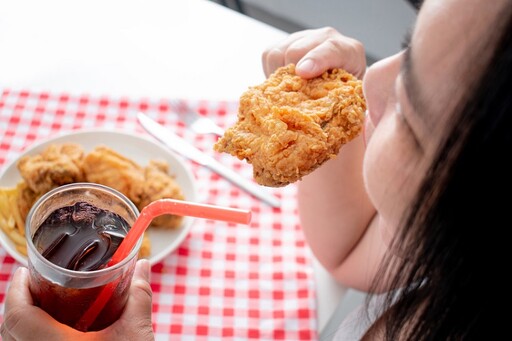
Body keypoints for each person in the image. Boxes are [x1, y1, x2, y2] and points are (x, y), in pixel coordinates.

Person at [2, 0, 511, 339]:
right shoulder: (441, 246)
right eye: (408, 48)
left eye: (409, 105)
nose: (372, 75)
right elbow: (350, 248)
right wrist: (315, 127)